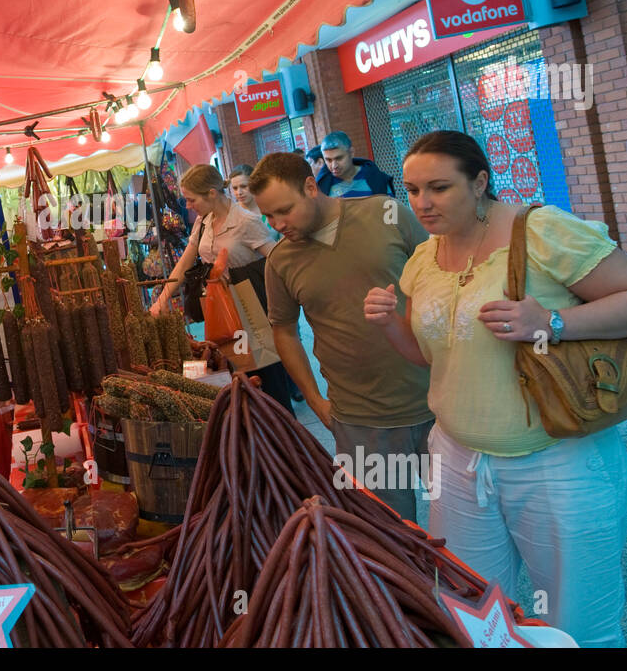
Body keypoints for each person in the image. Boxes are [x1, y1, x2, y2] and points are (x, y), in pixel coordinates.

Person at [363, 130, 627, 648]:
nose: (423, 204)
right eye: (412, 191)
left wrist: (551, 320)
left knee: (579, 629)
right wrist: (391, 323)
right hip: (458, 463)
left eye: (439, 187)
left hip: (557, 460)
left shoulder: (542, 231)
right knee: (474, 617)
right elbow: (430, 357)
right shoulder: (422, 259)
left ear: (480, 181)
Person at [250, 152, 434, 521]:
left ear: (309, 187)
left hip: (438, 404)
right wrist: (315, 400)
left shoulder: (386, 213)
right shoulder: (281, 261)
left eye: (284, 210)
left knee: (464, 529)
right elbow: (283, 330)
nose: (277, 224)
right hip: (361, 420)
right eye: (268, 216)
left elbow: (437, 269)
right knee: (388, 534)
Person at [150, 164, 296, 412]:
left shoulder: (245, 222)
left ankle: (287, 436)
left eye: (191, 199)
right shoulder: (204, 222)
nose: (187, 206)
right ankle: (255, 437)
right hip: (220, 310)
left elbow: (277, 260)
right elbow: (186, 259)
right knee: (238, 371)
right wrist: (163, 298)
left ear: (211, 193)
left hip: (250, 309)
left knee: (266, 374)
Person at [318, 131, 395, 198]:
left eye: (339, 158)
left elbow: (392, 211)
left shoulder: (376, 179)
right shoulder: (322, 187)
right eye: (328, 160)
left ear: (351, 153)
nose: (334, 165)